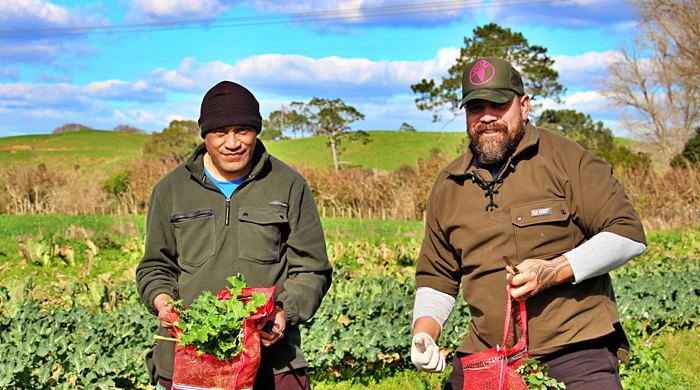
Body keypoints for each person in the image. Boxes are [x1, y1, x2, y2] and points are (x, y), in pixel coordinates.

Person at [410, 57, 646, 389]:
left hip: (575, 351)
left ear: (523, 106)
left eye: (499, 104)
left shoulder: (567, 159)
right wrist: (425, 332)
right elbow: (437, 276)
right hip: (486, 356)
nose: (488, 116)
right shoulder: (450, 184)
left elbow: (628, 233)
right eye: (476, 107)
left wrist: (554, 270)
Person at [136, 81, 332, 390]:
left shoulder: (288, 185)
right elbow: (154, 267)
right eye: (220, 132)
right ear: (205, 135)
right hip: (191, 361)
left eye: (243, 130)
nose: (232, 143)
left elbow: (313, 268)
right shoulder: (171, 190)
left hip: (273, 365)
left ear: (257, 131)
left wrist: (282, 314)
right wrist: (163, 302)